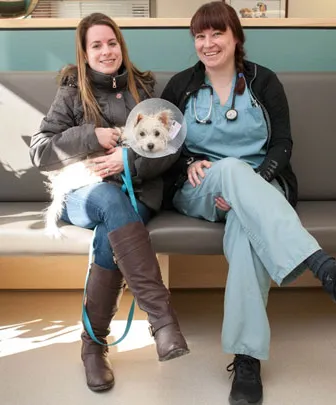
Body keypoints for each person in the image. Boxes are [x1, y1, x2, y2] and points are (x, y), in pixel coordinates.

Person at [161, 2, 336, 404]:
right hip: (202, 188)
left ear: (235, 37)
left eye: (216, 33)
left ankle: (246, 360)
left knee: (245, 227)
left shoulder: (264, 81)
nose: (207, 43)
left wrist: (251, 183)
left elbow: (282, 144)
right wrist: (188, 161)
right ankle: (319, 263)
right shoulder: (182, 87)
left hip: (262, 185)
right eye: (200, 36)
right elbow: (164, 149)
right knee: (230, 169)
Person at [29, 12, 189, 393]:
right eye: (96, 45)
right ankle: (163, 322)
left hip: (136, 193)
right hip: (83, 193)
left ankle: (93, 347)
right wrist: (90, 137)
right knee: (107, 197)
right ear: (84, 53)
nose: (106, 51)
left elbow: (171, 149)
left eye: (112, 42)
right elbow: (40, 152)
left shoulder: (145, 90)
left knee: (108, 232)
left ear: (122, 45)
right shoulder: (71, 91)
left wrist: (128, 161)